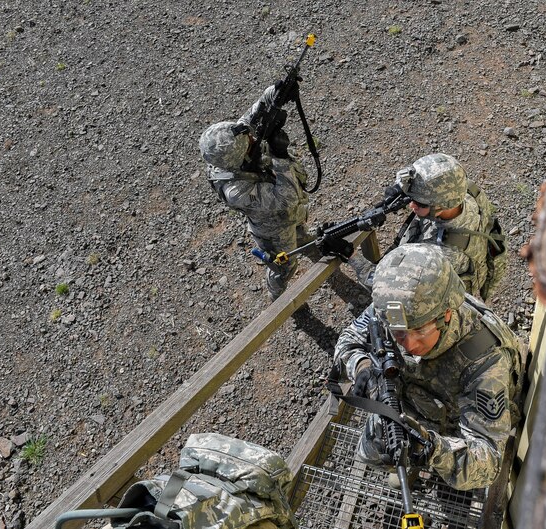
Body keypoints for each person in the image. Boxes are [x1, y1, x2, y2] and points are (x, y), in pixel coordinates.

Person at [333, 243, 523, 490]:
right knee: (371, 450)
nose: (409, 344)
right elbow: (349, 340)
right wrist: (362, 367)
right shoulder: (398, 307)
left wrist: (432, 448)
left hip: (461, 419)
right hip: (423, 398)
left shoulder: (484, 361)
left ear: (446, 314)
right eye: (398, 333)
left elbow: (487, 464)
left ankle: (423, 462)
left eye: (420, 331)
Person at [199, 84, 312, 300]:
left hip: (290, 215)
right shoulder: (235, 190)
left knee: (301, 232)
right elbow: (286, 199)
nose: (252, 138)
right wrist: (280, 157)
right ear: (238, 159)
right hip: (273, 229)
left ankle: (304, 239)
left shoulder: (232, 140)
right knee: (286, 265)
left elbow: (254, 114)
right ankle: (277, 296)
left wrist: (276, 92)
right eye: (249, 142)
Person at [349, 153, 504, 300]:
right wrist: (405, 190)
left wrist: (352, 257)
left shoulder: (439, 254)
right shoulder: (465, 190)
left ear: (441, 206)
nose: (411, 205)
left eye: (419, 203)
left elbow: (392, 288)